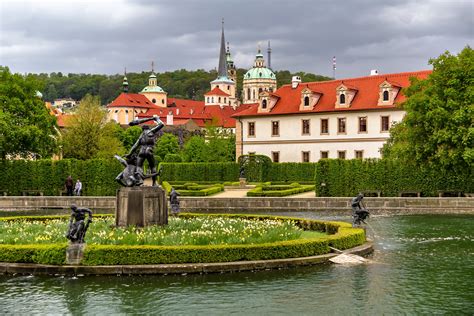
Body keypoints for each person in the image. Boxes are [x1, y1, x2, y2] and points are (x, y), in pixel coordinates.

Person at [127, 116, 164, 186]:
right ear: (148, 128)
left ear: (142, 130)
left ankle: (140, 181)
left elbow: (135, 146)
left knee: (139, 166)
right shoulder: (151, 131)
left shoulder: (141, 136)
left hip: (141, 151)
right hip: (149, 151)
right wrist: (156, 119)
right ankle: (154, 183)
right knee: (153, 166)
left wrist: (129, 154)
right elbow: (161, 124)